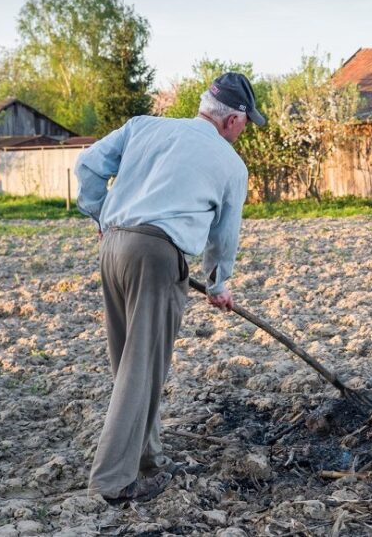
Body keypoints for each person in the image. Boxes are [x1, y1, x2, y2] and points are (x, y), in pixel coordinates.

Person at [75, 73, 265, 504]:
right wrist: (219, 284)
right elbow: (223, 236)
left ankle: (149, 458)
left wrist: (100, 217)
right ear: (233, 120)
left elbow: (86, 164)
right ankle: (113, 481)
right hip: (157, 257)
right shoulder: (231, 165)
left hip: (114, 246)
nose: (245, 130)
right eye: (246, 122)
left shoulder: (144, 125)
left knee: (128, 362)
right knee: (142, 368)